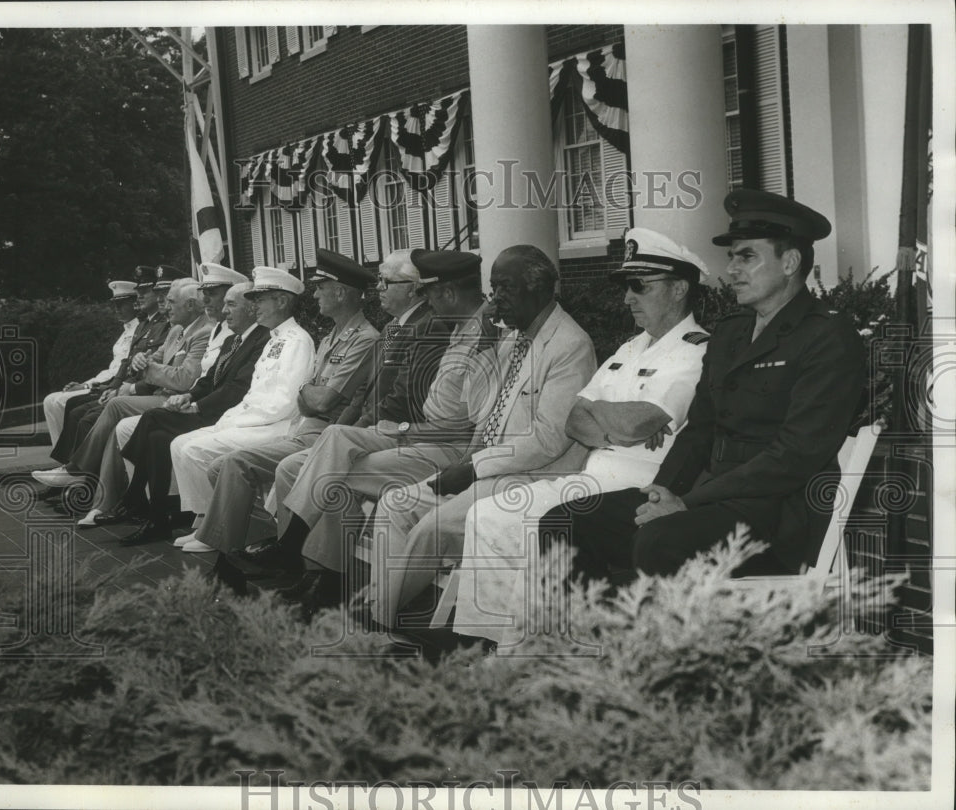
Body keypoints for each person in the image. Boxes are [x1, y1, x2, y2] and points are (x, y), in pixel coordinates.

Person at [538, 189, 866, 581]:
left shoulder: (827, 337)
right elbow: (700, 429)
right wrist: (661, 492)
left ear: (790, 262)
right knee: (567, 522)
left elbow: (793, 455)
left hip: (776, 516)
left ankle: (664, 640)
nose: (732, 269)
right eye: (732, 257)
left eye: (747, 256)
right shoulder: (731, 333)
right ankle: (595, 639)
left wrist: (688, 502)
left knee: (659, 541)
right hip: (709, 498)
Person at [451, 228, 711, 647]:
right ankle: (491, 641)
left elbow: (637, 423)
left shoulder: (695, 351)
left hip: (633, 488)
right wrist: (618, 422)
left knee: (532, 523)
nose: (628, 297)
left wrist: (608, 418)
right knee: (488, 515)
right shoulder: (630, 349)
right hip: (590, 477)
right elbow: (574, 419)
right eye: (627, 286)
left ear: (679, 288)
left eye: (639, 286)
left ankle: (529, 652)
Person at [222, 248, 500, 597]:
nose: (425, 299)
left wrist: (397, 429)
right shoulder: (457, 331)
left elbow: (462, 425)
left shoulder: (477, 338)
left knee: (329, 471)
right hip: (413, 436)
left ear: (446, 292)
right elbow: (367, 396)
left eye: (426, 291)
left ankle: (308, 570)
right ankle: (306, 569)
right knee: (335, 440)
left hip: (437, 445)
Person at [362, 244, 597, 630]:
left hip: (531, 475)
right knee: (395, 504)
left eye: (505, 288)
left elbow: (548, 440)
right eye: (493, 288)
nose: (496, 299)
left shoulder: (570, 346)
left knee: (431, 529)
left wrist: (473, 468)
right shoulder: (510, 338)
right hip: (485, 466)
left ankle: (379, 623)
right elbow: (477, 409)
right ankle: (387, 607)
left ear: (538, 289)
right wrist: (485, 348)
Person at [168, 252, 378, 552]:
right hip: (306, 427)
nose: (315, 293)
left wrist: (308, 395)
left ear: (341, 292)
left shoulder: (351, 338)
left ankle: (245, 543)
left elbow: (318, 400)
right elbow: (307, 398)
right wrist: (309, 395)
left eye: (320, 287)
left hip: (318, 432)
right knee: (216, 464)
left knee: (234, 464)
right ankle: (227, 531)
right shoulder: (331, 336)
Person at [100, 281, 270, 544]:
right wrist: (188, 395)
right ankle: (157, 520)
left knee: (153, 417)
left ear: (250, 309)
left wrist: (197, 406)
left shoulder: (261, 340)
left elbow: (237, 389)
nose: (224, 311)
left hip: (225, 415)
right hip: (211, 409)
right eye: (224, 304)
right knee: (156, 439)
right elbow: (209, 379)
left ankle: (133, 496)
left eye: (231, 304)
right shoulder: (233, 341)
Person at [31, 278, 215, 490]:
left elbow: (184, 379)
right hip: (160, 393)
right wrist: (140, 361)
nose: (166, 306)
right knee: (101, 411)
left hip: (176, 399)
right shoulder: (176, 330)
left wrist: (147, 369)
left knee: (115, 406)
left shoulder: (203, 331)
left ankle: (77, 472)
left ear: (190, 305)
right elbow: (153, 357)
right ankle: (86, 480)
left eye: (171, 301)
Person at [36, 265, 169, 478]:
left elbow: (156, 369)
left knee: (82, 414)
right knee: (73, 409)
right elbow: (125, 363)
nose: (140, 295)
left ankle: (77, 476)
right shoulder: (146, 325)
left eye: (147, 291)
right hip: (125, 386)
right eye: (140, 291)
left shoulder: (163, 325)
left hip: (147, 391)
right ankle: (72, 473)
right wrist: (113, 386)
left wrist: (116, 387)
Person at [41, 279, 140, 447]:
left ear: (134, 304)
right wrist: (85, 384)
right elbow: (111, 369)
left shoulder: (140, 330)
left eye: (122, 304)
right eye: (115, 304)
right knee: (50, 400)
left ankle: (72, 460)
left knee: (60, 402)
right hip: (104, 383)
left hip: (114, 386)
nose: (117, 309)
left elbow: (119, 372)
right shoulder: (124, 333)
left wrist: (88, 387)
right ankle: (61, 457)